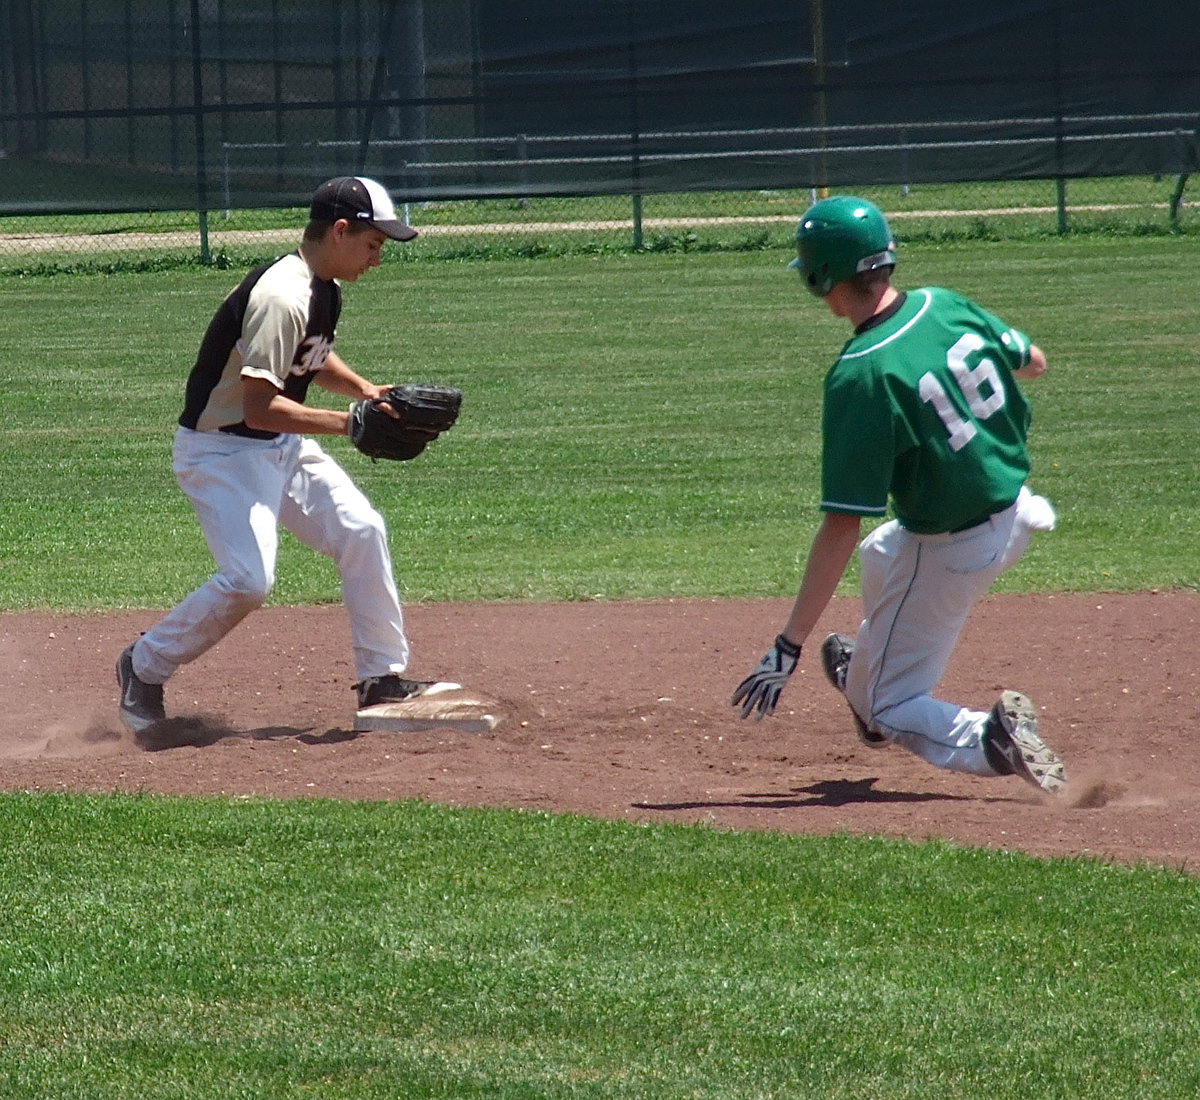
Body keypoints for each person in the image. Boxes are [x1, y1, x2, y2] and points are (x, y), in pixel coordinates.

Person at [731, 195, 1066, 795]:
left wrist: (788, 645)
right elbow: (1034, 362)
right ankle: (866, 667)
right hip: (1016, 509)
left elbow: (841, 526)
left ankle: (989, 737)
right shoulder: (945, 304)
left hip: (952, 548)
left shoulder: (862, 373)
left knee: (886, 707)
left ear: (820, 276)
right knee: (881, 554)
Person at [116, 175, 456, 735]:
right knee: (249, 580)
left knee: (362, 529)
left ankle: (381, 679)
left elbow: (310, 357)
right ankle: (143, 665)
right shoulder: (282, 296)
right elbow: (259, 408)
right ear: (340, 231)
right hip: (222, 453)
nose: (377, 259)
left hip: (280, 445)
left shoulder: (322, 287)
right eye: (373, 244)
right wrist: (349, 423)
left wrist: (365, 391)